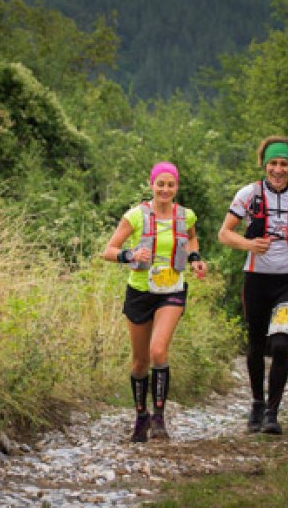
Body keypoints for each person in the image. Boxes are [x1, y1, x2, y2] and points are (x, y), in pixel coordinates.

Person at [218, 136, 288, 435]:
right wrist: (249, 244)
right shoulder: (248, 194)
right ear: (265, 165)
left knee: (280, 343)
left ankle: (272, 412)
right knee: (255, 343)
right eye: (273, 163)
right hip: (257, 279)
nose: (278, 170)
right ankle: (256, 402)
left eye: (284, 164)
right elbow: (224, 233)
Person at [102, 161, 208, 442]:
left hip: (172, 289)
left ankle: (159, 418)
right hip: (140, 291)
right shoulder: (135, 216)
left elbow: (193, 241)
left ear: (176, 187)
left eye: (170, 184)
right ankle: (141, 416)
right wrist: (131, 255)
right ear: (152, 185)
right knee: (139, 362)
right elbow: (109, 251)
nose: (165, 189)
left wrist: (195, 260)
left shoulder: (187, 216)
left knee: (158, 352)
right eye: (160, 184)